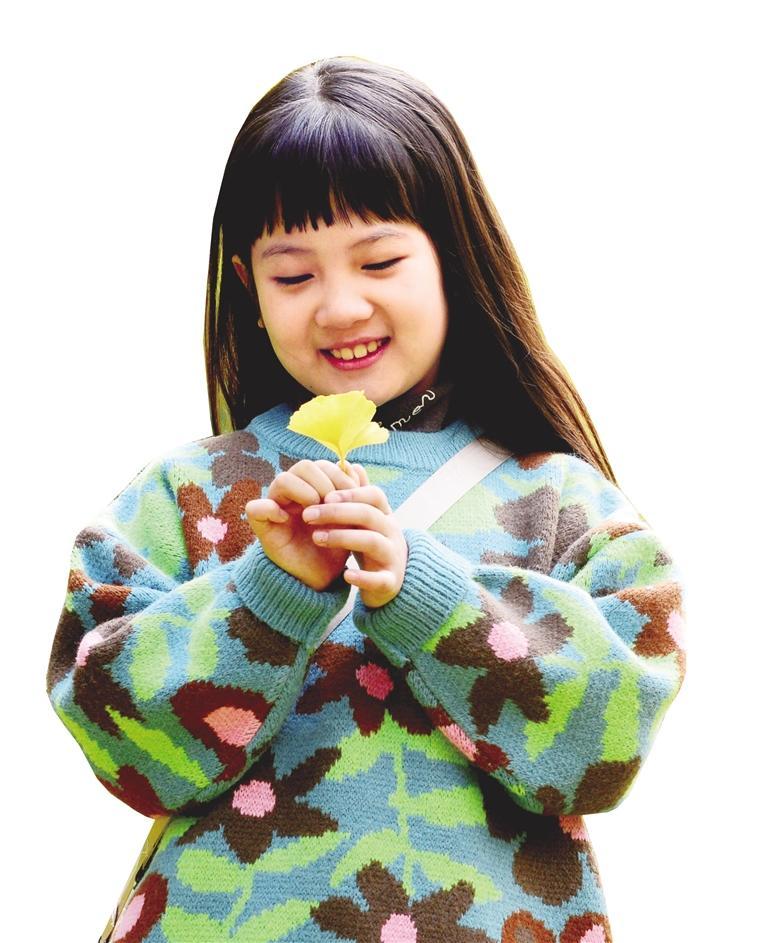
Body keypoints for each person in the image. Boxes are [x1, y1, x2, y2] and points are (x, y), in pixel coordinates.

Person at [46, 55, 687, 943]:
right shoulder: (184, 495)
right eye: (293, 275)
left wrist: (427, 593)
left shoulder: (562, 503)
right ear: (247, 286)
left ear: (453, 257)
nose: (341, 306)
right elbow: (124, 748)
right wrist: (267, 594)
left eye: (379, 260)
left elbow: (604, 749)